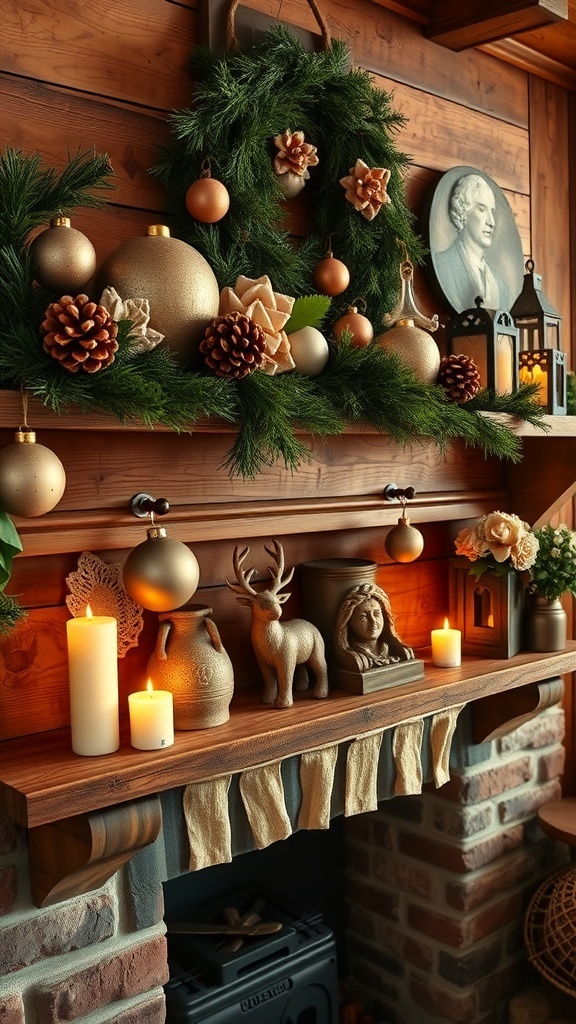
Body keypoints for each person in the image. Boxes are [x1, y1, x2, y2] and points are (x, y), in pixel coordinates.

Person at [433, 173, 511, 312]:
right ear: (464, 211)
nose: (491, 222)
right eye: (481, 209)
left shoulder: (501, 287)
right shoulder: (443, 265)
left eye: (491, 211)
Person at [334, 583, 415, 673]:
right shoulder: (355, 659)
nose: (373, 622)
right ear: (349, 622)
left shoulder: (392, 651)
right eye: (363, 617)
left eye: (376, 614)